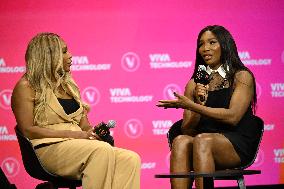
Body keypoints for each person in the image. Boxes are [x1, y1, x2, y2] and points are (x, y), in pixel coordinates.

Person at [11, 33, 141, 189]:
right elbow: (28, 130)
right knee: (101, 151)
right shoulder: (26, 86)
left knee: (130, 159)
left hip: (78, 143)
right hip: (47, 147)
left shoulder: (68, 84)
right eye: (64, 52)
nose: (70, 56)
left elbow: (84, 126)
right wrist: (75, 135)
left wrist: (93, 133)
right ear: (49, 56)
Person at [157, 25, 261, 189]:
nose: (205, 48)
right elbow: (187, 129)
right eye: (201, 44)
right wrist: (199, 103)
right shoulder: (194, 83)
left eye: (212, 42)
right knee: (180, 141)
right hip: (202, 141)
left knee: (202, 140)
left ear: (225, 45)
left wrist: (192, 105)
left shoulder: (241, 76)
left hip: (235, 141)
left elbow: (233, 117)